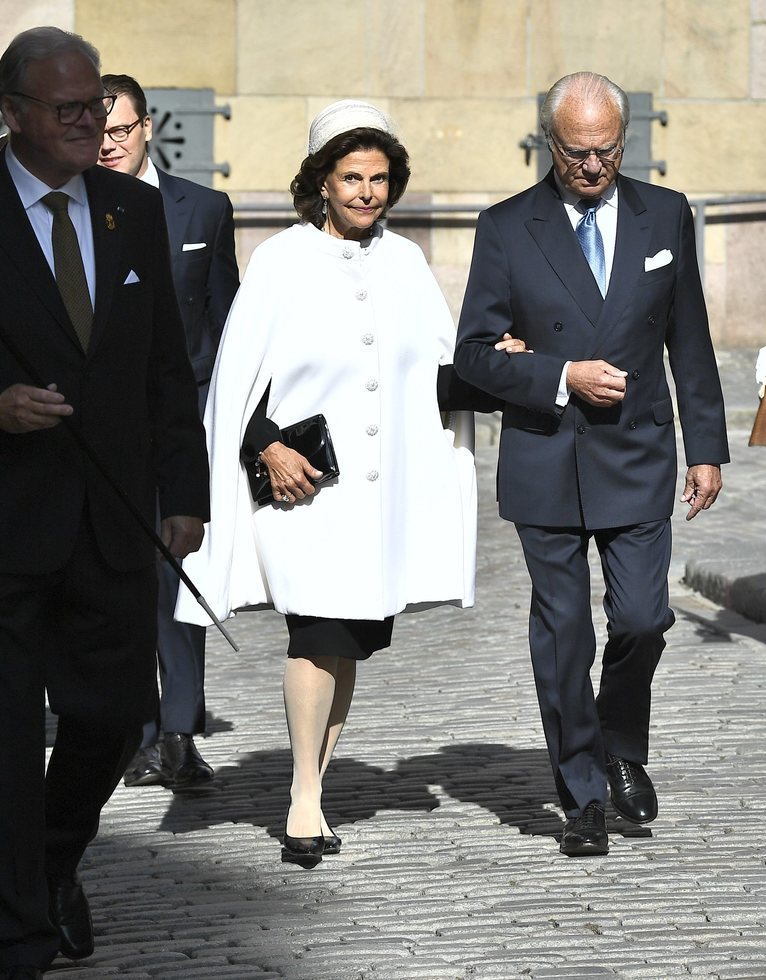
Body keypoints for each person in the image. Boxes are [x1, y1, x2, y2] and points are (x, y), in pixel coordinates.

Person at [175, 100, 511, 868]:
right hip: (307, 494)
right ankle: (300, 798)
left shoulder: (406, 264)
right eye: (352, 177)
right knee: (316, 632)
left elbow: (437, 375)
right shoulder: (282, 261)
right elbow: (236, 382)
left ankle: (313, 788)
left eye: (380, 178)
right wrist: (265, 448)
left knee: (350, 640)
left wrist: (502, 364)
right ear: (320, 182)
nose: (367, 192)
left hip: (380, 500)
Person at [454, 72, 729, 858]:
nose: (592, 167)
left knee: (643, 619)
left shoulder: (665, 214)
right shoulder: (507, 227)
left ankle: (620, 743)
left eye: (606, 151)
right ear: (551, 143)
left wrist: (706, 447)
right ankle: (580, 794)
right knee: (565, 631)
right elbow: (474, 354)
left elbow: (692, 342)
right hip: (546, 456)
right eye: (577, 153)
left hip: (640, 452)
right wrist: (558, 375)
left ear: (625, 138)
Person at [0, 26, 208, 979]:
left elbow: (167, 365)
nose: (93, 123)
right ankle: (21, 934)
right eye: (69, 109)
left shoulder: (130, 209)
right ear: (13, 115)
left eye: (100, 106)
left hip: (118, 520)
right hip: (8, 526)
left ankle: (48, 866)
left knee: (115, 718)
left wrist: (186, 491)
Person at [97, 72, 240, 790]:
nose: (106, 144)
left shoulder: (204, 208)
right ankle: (138, 729)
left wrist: (237, 419)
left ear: (147, 126)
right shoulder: (78, 203)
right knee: (118, 579)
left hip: (184, 419)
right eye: (95, 131)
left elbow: (229, 321)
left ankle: (180, 730)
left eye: (119, 130)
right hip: (98, 424)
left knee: (177, 573)